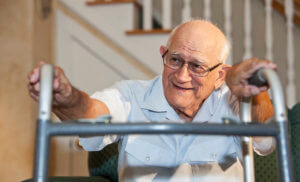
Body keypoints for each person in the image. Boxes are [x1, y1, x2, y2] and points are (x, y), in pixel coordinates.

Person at [28, 20, 276, 182]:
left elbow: (266, 136)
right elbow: (92, 114)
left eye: (197, 67)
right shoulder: (132, 95)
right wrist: (67, 98)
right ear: (163, 55)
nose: (181, 76)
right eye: (175, 60)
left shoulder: (233, 101)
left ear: (220, 75)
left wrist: (253, 91)